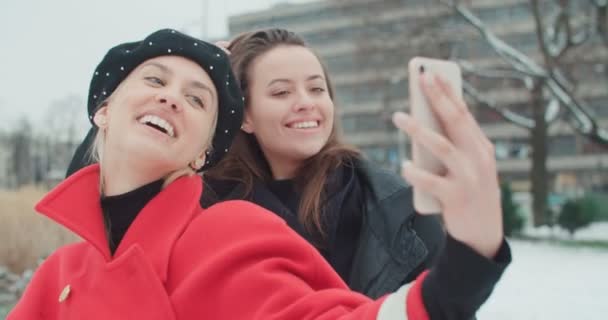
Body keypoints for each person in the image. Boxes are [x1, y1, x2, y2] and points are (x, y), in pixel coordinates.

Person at [61, 28, 511, 319]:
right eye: (280, 91)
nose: (306, 102)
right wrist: (197, 70)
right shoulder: (207, 205)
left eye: (317, 88)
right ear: (245, 118)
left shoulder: (395, 204)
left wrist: (472, 255)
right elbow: (106, 197)